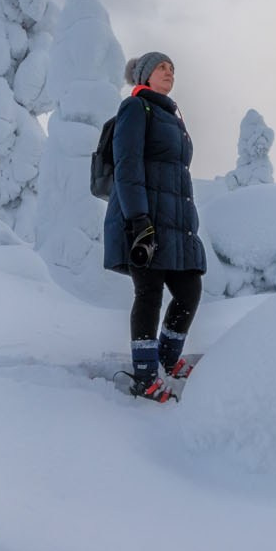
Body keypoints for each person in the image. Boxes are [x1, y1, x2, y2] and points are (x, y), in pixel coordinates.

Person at [104, 50, 206, 398]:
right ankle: (146, 376)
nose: (169, 72)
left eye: (173, 69)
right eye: (162, 67)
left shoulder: (173, 117)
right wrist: (138, 220)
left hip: (174, 223)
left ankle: (167, 357)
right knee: (149, 292)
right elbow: (127, 165)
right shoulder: (136, 108)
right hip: (145, 218)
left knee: (189, 289)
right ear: (145, 75)